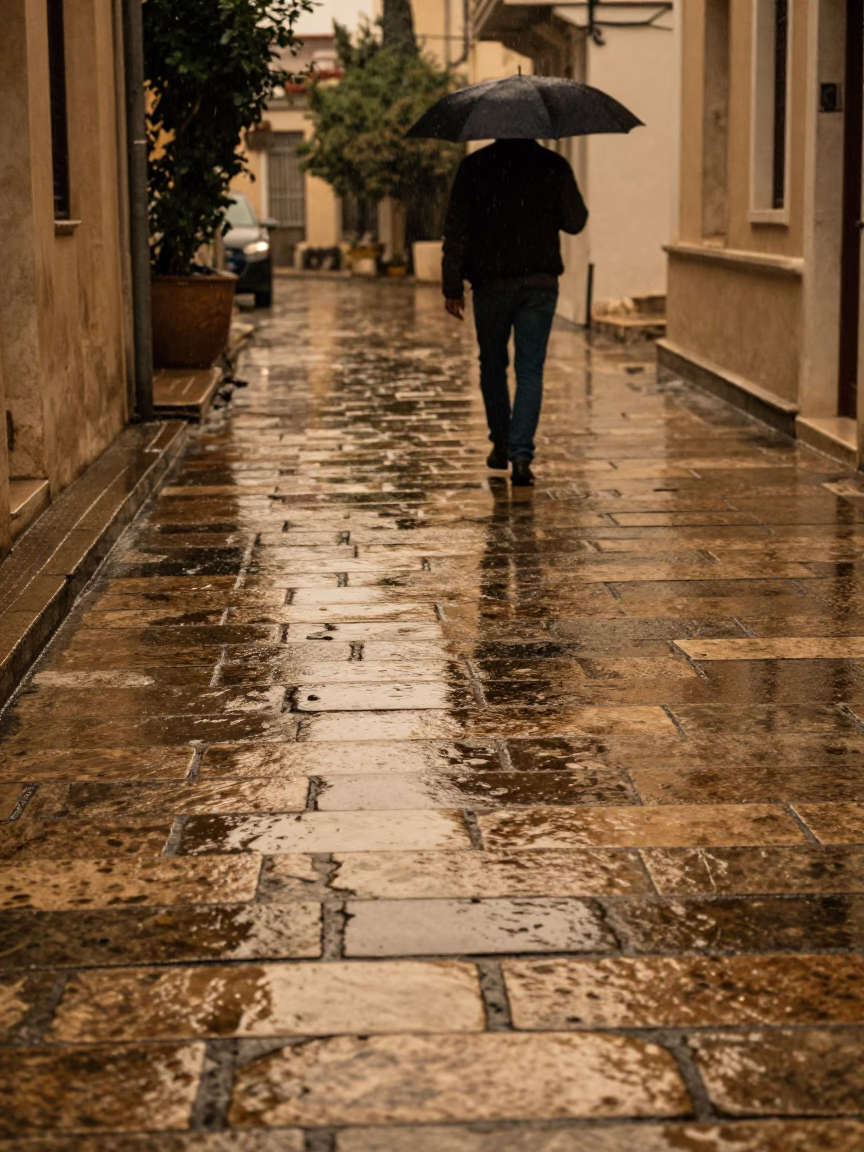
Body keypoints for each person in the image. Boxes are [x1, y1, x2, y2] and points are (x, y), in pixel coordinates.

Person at [442, 139, 588, 486]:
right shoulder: (553, 164)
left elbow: (456, 229)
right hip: (538, 283)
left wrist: (452, 285)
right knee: (530, 369)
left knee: (492, 364)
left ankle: (501, 444)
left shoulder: (475, 167)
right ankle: (521, 457)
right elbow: (575, 221)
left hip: (491, 285)